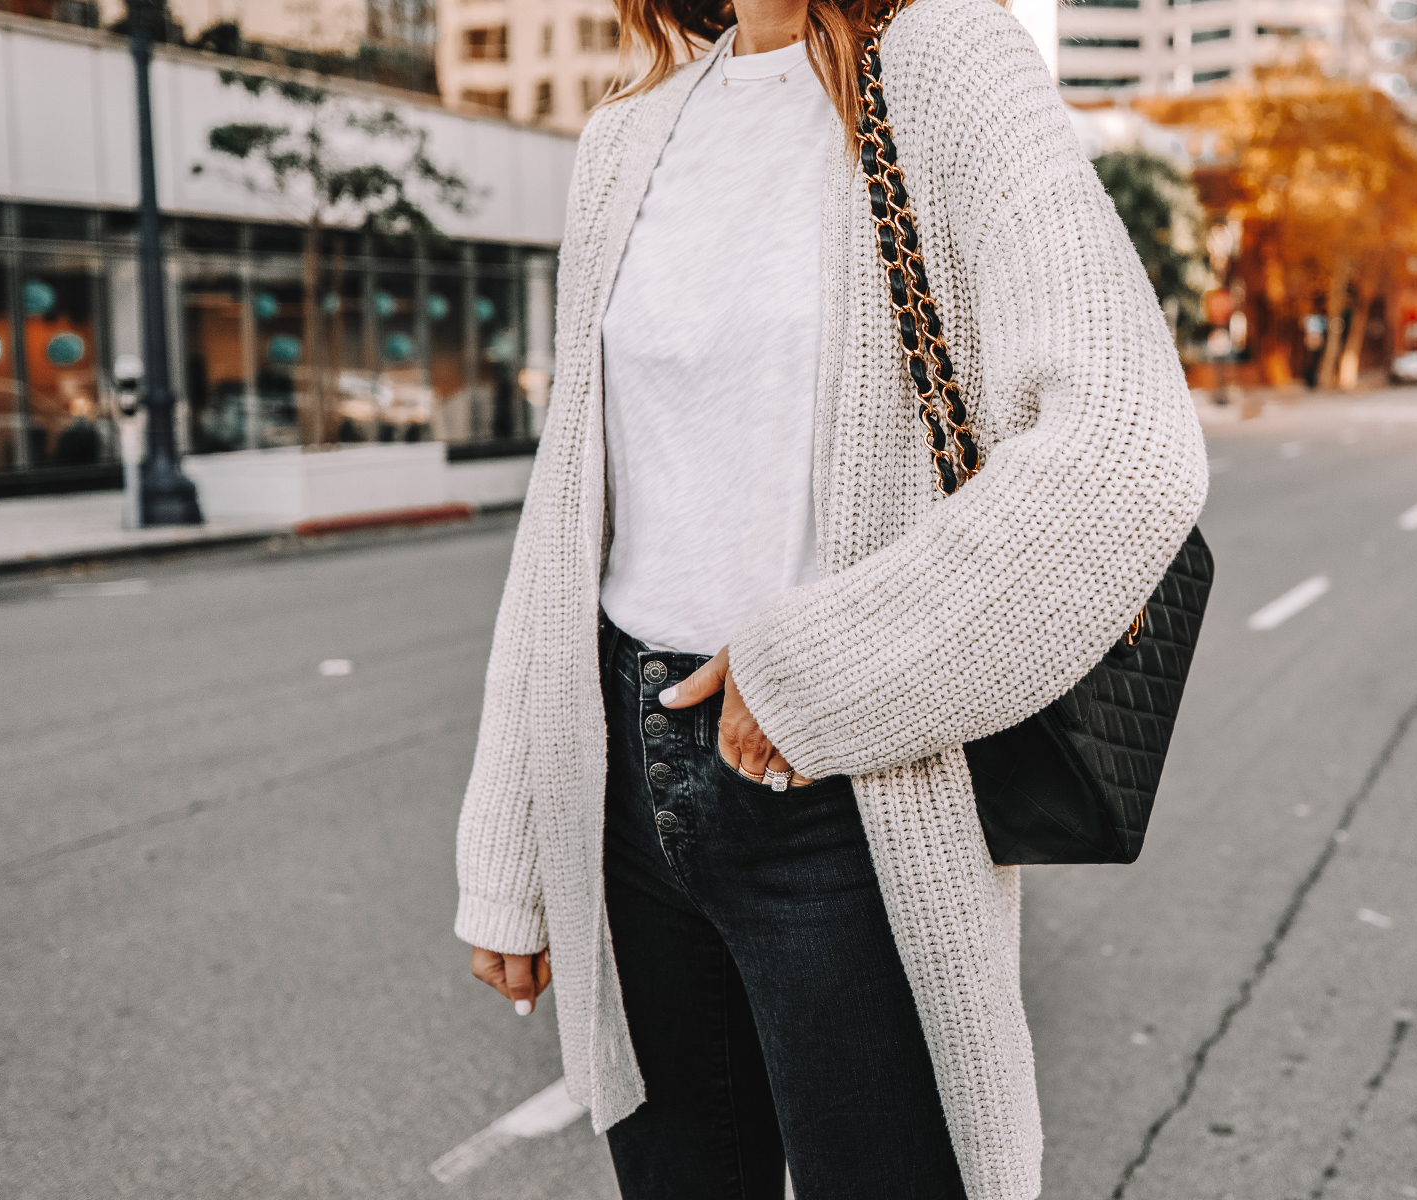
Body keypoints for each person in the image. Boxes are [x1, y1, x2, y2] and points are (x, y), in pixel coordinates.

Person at [452, 0, 1208, 1192]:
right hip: (626, 792)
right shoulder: (631, 132)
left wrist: (818, 675)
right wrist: (510, 840)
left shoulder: (942, 60)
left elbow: (1126, 446)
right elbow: (567, 515)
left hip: (840, 796)